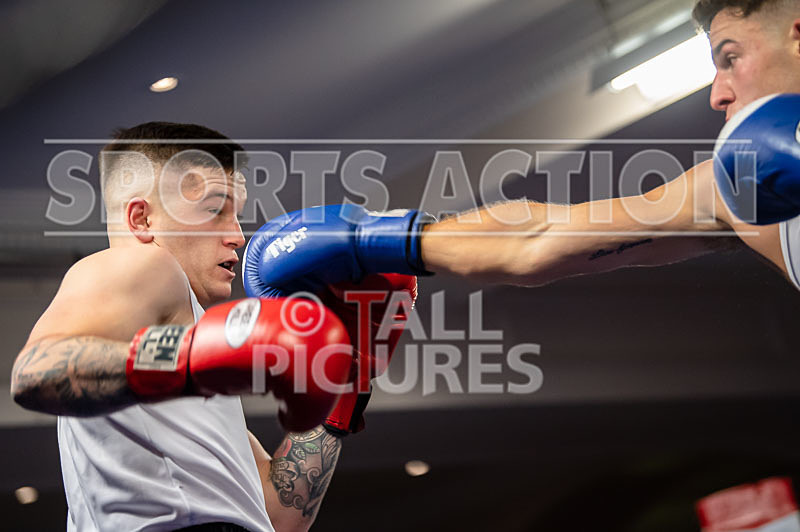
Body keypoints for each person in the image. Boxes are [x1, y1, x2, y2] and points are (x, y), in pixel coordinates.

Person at [244, 0, 800, 299]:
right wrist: (370, 240)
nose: (717, 93)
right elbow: (539, 237)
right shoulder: (737, 189)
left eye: (730, 58)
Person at [9, 122, 413, 532]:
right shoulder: (141, 264)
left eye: (236, 215)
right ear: (143, 219)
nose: (238, 235)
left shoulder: (188, 348)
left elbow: (280, 515)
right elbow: (36, 370)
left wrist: (345, 380)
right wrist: (193, 355)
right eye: (214, 210)